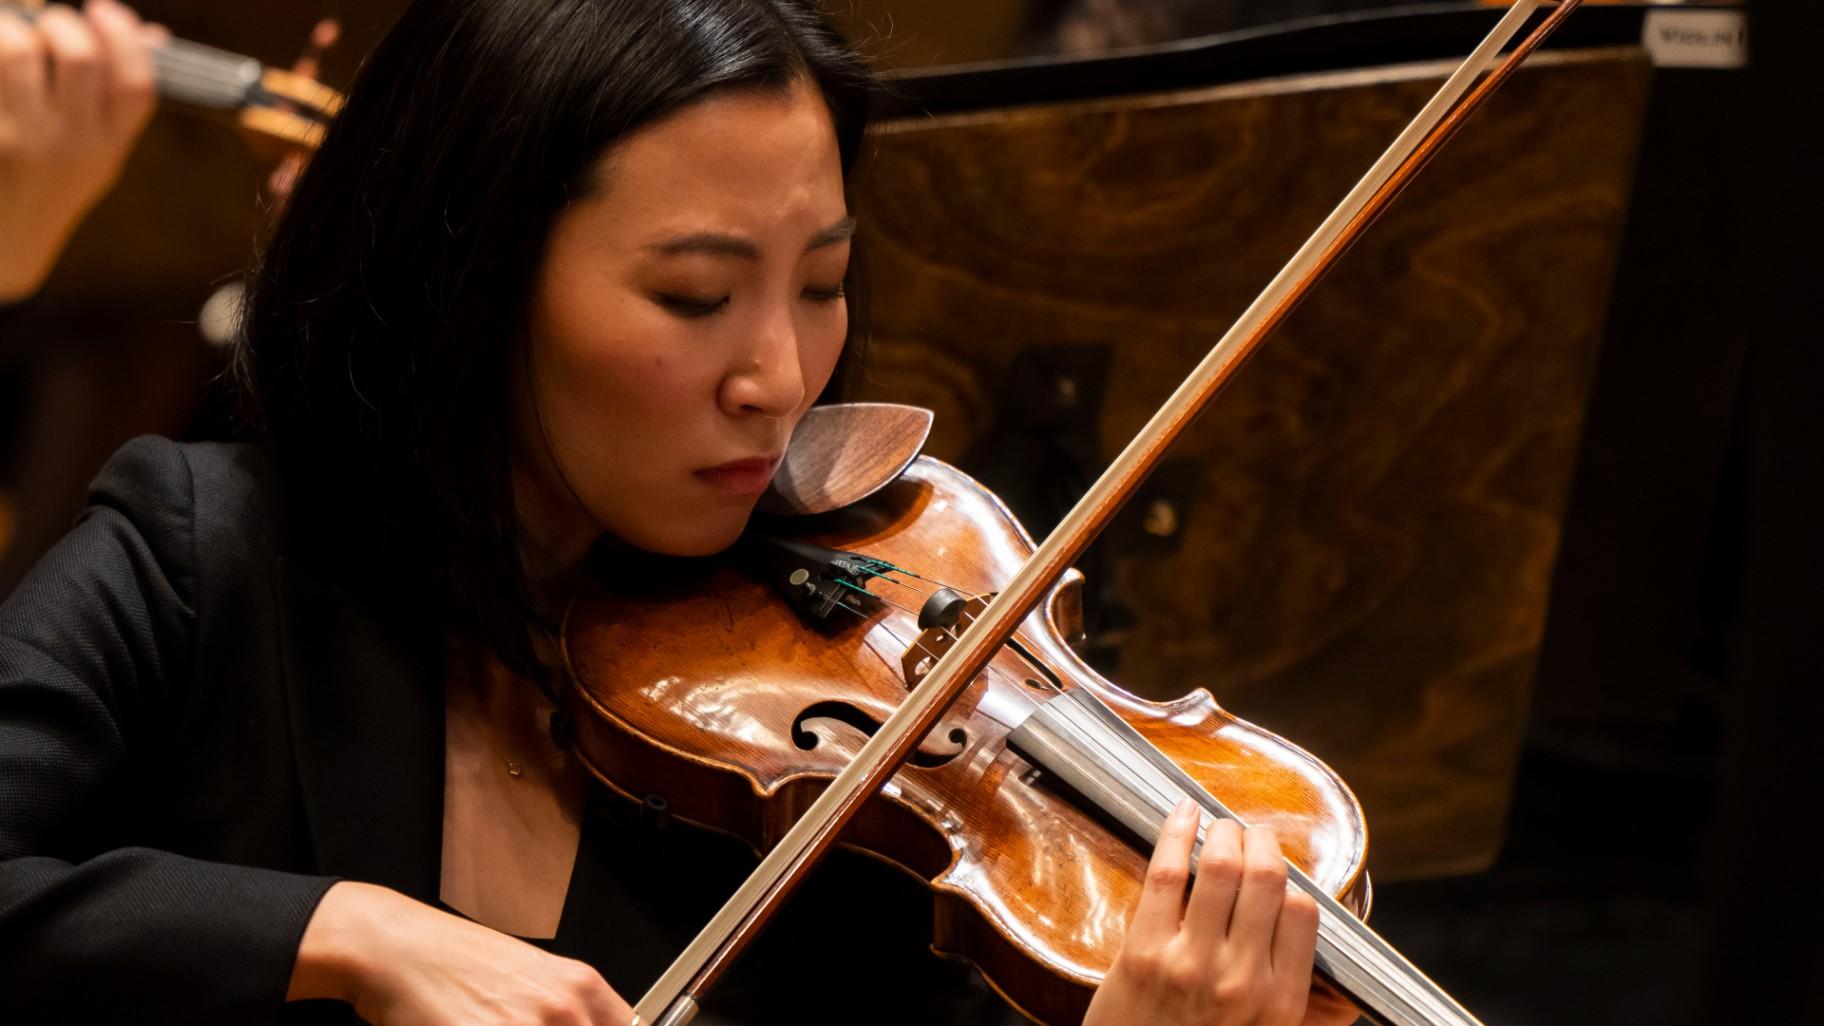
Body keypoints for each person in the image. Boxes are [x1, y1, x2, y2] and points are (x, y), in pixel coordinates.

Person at [0, 3, 1361, 1025]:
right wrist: (344, 933)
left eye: (822, 280)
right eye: (696, 297)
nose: (778, 377)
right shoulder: (202, 554)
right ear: (472, 285)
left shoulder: (856, 765)